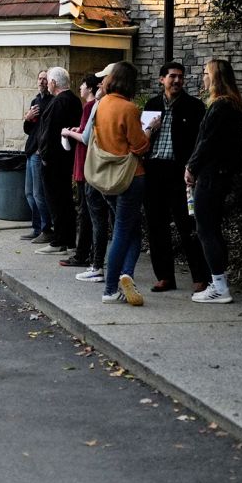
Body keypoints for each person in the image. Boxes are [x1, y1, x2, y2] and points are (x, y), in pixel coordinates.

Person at [143, 61, 211, 293]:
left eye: (180, 77)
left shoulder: (194, 107)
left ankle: (200, 277)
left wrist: (193, 168)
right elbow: (142, 141)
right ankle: (164, 277)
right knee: (156, 225)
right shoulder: (152, 105)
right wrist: (151, 129)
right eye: (172, 76)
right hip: (154, 170)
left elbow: (201, 142)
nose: (177, 81)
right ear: (162, 79)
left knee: (187, 225)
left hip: (181, 173)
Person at [185, 59, 242, 303]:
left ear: (216, 77)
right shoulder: (232, 105)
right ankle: (218, 281)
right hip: (221, 174)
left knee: (205, 228)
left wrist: (191, 167)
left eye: (206, 73)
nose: (203, 78)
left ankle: (219, 286)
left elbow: (206, 142)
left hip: (211, 175)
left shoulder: (220, 106)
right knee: (213, 227)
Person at [92, 62, 151, 306]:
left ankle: (126, 275)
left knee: (130, 230)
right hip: (130, 176)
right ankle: (110, 287)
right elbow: (140, 146)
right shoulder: (129, 108)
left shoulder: (101, 104)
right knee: (123, 232)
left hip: (105, 177)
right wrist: (150, 131)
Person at [59, 74, 109, 277]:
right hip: (89, 164)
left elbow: (86, 137)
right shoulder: (90, 106)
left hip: (86, 164)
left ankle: (86, 255)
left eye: (82, 85)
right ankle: (88, 255)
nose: (80, 87)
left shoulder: (91, 107)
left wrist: (69, 133)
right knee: (89, 213)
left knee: (88, 213)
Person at [34, 67, 84, 255]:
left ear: (54, 83)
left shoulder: (58, 103)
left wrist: (45, 157)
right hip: (67, 158)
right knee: (65, 201)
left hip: (54, 161)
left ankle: (60, 241)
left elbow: (49, 133)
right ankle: (69, 240)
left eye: (48, 80)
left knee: (56, 201)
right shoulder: (74, 101)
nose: (47, 83)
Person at [20, 70, 53, 242]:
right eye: (39, 78)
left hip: (40, 153)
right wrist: (28, 118)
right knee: (29, 193)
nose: (41, 82)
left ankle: (46, 229)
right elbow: (28, 130)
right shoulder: (36, 101)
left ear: (50, 82)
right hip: (31, 150)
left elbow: (47, 129)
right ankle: (37, 228)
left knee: (39, 194)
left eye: (45, 79)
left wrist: (42, 149)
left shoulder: (52, 102)